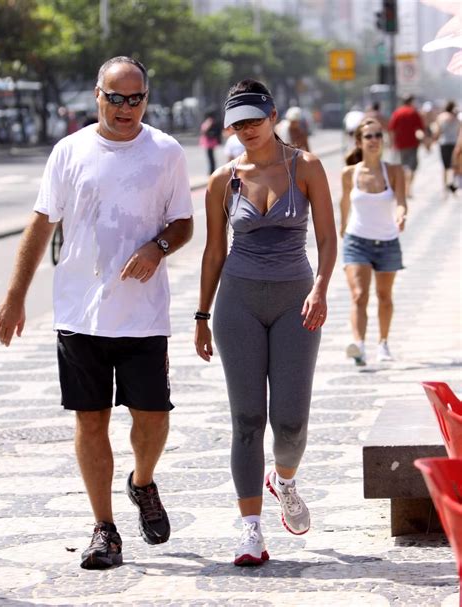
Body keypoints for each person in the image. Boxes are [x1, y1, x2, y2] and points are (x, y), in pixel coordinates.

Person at [0, 56, 194, 570]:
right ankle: (104, 528)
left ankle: (142, 482)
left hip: (143, 315)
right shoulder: (70, 150)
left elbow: (183, 223)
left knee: (152, 417)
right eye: (115, 97)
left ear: (147, 99)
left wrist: (158, 247)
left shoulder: (166, 152)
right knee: (91, 420)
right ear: (97, 95)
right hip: (79, 314)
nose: (126, 108)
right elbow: (40, 226)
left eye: (136, 98)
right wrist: (16, 296)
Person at [194, 79, 337, 566]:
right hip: (238, 302)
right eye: (237, 124)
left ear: (273, 115)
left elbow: (327, 239)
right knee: (247, 419)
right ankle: (250, 530)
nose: (246, 130)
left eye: (254, 120)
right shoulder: (223, 179)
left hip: (297, 300)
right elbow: (214, 251)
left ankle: (286, 480)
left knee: (291, 421)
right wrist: (200, 314)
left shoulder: (307, 167)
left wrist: (320, 287)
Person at [340, 118, 407, 367]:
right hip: (357, 241)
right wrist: (342, 226)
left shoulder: (395, 171)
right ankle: (359, 345)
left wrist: (401, 214)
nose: (374, 140)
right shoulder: (349, 173)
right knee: (359, 295)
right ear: (359, 142)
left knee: (384, 296)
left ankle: (383, 342)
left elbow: (401, 201)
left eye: (378, 135)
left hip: (388, 241)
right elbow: (344, 203)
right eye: (368, 136)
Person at [388, 95, 424, 198]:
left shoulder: (397, 112)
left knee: (402, 167)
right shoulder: (414, 112)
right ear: (411, 101)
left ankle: (402, 188)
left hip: (400, 144)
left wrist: (391, 143)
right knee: (412, 167)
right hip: (412, 144)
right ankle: (408, 189)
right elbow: (420, 128)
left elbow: (391, 129)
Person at [433, 101, 460, 194]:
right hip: (454, 143)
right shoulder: (457, 118)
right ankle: (452, 184)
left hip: (444, 143)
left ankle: (444, 186)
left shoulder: (441, 117)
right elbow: (459, 132)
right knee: (453, 165)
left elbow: (438, 131)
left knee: (445, 166)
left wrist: (434, 139)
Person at [199, 109, 222, 174]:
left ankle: (212, 170)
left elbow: (204, 130)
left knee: (210, 157)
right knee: (211, 157)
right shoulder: (212, 121)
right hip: (210, 141)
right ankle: (212, 170)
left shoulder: (209, 121)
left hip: (209, 141)